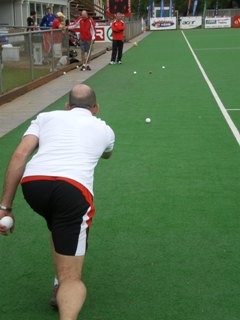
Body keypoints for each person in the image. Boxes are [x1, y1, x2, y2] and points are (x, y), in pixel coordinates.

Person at [0, 84, 115, 320]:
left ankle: (57, 284)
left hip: (34, 186)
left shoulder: (45, 117)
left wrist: (5, 207)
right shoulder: (105, 129)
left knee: (58, 224)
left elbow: (21, 154)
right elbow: (107, 153)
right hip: (73, 192)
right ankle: (64, 285)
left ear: (67, 106)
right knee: (72, 279)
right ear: (96, 108)